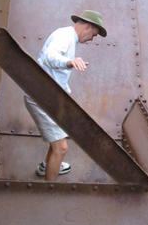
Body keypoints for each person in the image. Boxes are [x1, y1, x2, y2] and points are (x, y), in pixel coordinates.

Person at [24, 10, 107, 181]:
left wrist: (65, 91)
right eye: (94, 34)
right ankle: (49, 191)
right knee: (61, 148)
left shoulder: (68, 37)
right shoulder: (65, 37)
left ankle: (48, 167)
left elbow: (53, 71)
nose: (92, 39)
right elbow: (49, 57)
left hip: (49, 94)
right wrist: (69, 62)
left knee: (58, 138)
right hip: (40, 96)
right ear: (88, 26)